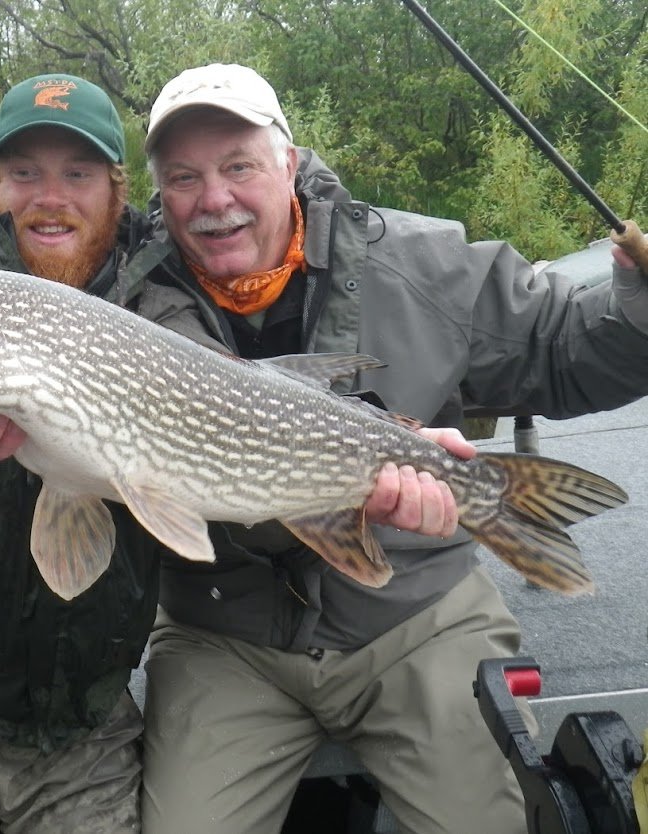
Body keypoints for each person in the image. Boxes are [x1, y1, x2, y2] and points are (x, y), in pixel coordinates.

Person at [0, 71, 469, 834]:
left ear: (118, 190)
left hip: (84, 727)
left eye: (78, 173)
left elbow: (242, 412)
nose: (50, 196)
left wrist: (384, 451)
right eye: (25, 173)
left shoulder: (165, 308)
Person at [131, 62, 648, 834]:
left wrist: (636, 308)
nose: (214, 200)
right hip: (224, 636)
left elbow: (559, 348)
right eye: (183, 178)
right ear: (161, 192)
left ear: (290, 162)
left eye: (238, 166)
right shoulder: (126, 300)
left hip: (412, 617)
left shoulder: (418, 263)